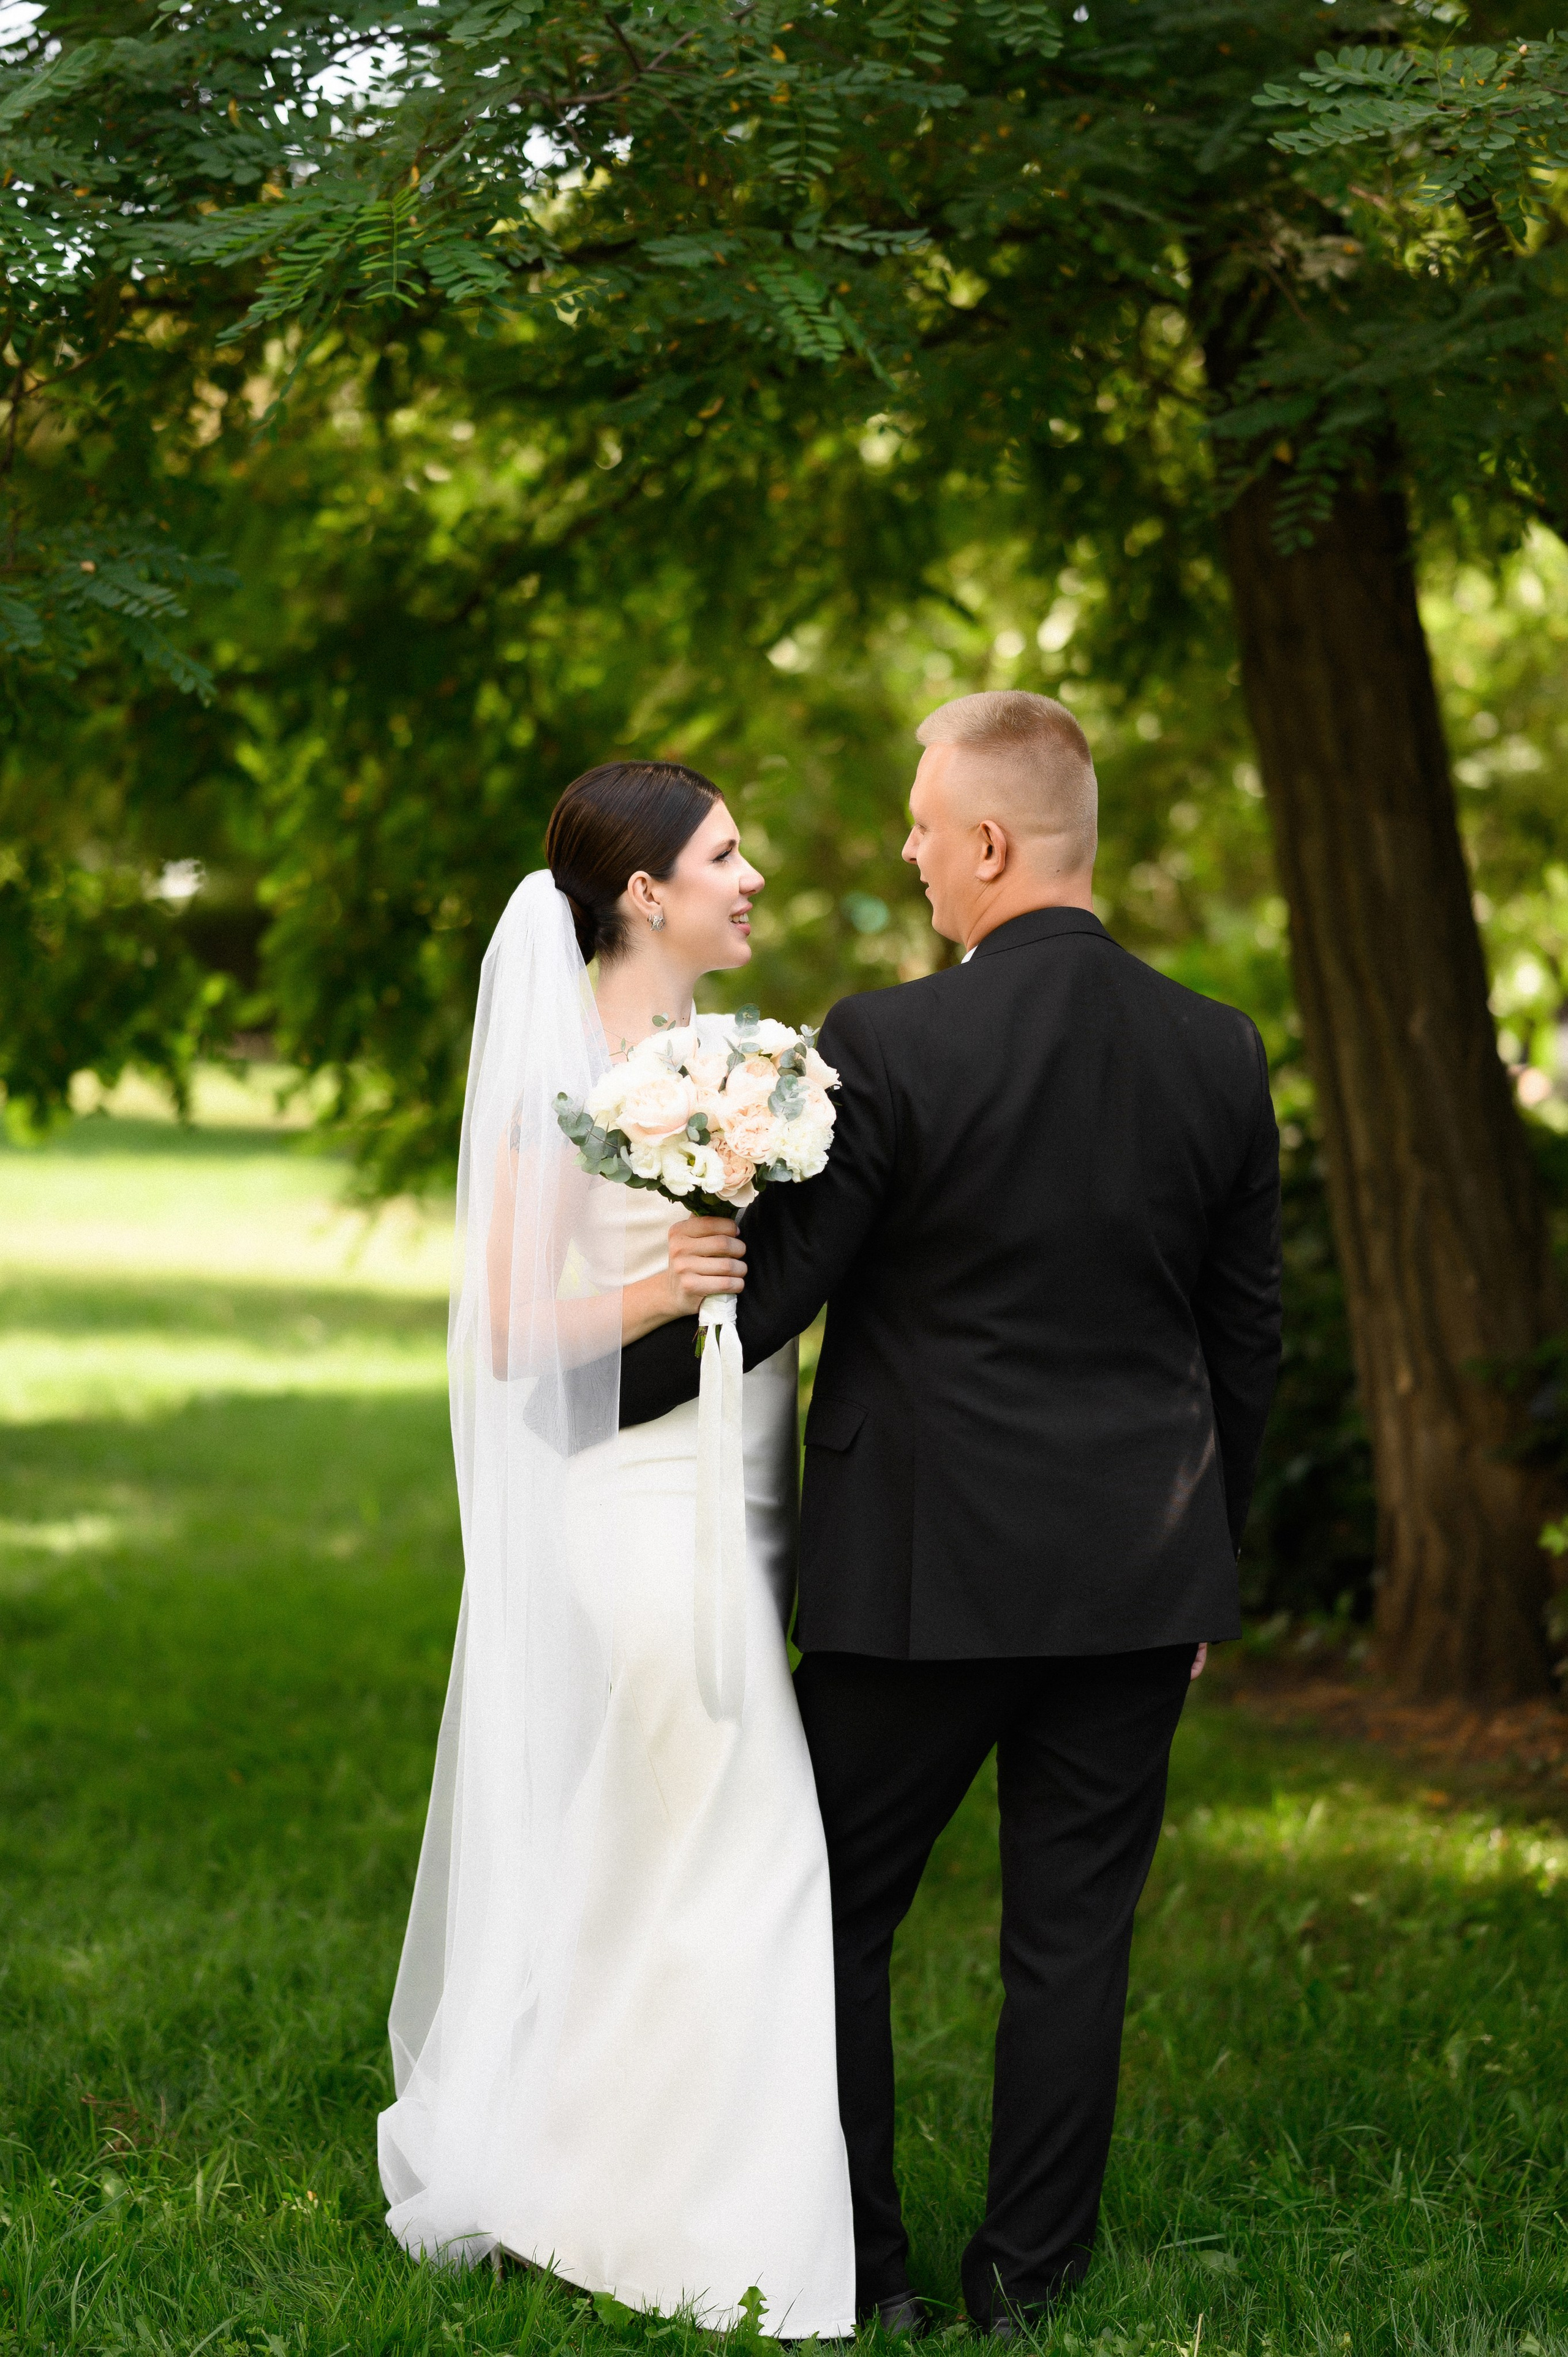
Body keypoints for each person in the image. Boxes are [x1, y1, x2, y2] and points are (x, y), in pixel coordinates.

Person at [619, 692, 1283, 2336]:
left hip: (914, 1575)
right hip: (1138, 1577)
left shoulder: (893, 1041)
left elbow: (778, 1296)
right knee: (1075, 1937)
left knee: (829, 1912)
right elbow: (1243, 1337)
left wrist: (577, 1392)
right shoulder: (1217, 1048)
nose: (910, 853)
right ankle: (1030, 2279)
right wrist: (1215, 1572)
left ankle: (872, 2272)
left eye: (924, 824)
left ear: (989, 843)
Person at [377, 762, 854, 2339]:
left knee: (653, 1847)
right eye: (725, 854)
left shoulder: (725, 1055)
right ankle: (745, 2244)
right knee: (759, 1835)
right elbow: (512, 1329)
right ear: (643, 892)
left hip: (745, 1488)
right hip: (642, 1505)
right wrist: (667, 1287)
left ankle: (575, 2165)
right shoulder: (563, 1063)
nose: (753, 876)